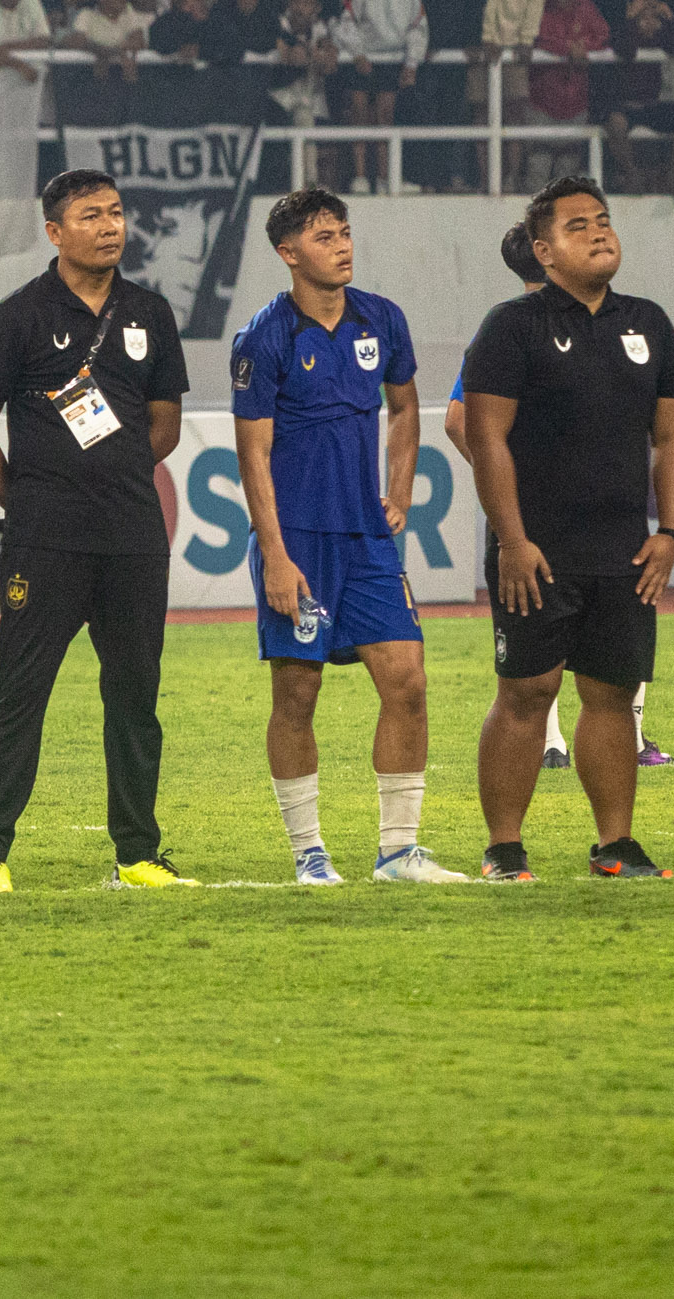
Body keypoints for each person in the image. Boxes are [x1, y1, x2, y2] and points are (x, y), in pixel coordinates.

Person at [0, 168, 197, 895]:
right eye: (91, 215)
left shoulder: (150, 311)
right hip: (46, 541)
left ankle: (138, 855)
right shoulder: (19, 315)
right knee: (19, 696)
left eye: (116, 212)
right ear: (55, 232)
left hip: (133, 536)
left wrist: (113, 473)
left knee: (135, 699)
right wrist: (28, 498)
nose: (110, 226)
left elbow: (166, 424)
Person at [458, 174, 674, 882]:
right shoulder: (511, 326)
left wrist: (670, 532)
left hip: (625, 549)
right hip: (537, 549)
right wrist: (512, 539)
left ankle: (615, 844)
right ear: (544, 250)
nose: (598, 232)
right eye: (578, 225)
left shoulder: (649, 323)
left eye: (603, 219)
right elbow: (486, 437)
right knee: (527, 692)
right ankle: (504, 848)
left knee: (613, 694)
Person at [230, 186, 460, 886]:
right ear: (288, 252)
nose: (342, 246)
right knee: (297, 696)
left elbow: (405, 406)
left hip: (367, 539)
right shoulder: (264, 338)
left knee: (408, 682)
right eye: (324, 237)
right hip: (297, 541)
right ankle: (309, 853)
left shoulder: (382, 319)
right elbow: (253, 454)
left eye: (345, 232)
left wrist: (401, 489)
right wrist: (275, 554)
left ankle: (398, 852)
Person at [442, 220, 669, 770]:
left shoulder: (506, 326)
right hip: (579, 522)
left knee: (548, 651)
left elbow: (455, 421)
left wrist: (511, 482)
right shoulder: (532, 328)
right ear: (546, 255)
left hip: (567, 520)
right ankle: (622, 737)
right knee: (588, 646)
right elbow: (460, 422)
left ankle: (557, 742)